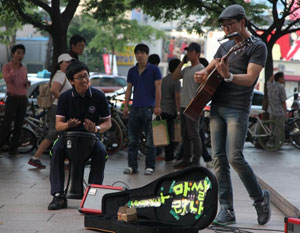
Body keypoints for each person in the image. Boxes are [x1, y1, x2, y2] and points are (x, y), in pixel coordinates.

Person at [194, 4, 270, 225]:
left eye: (230, 25)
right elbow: (209, 69)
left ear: (243, 22)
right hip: (217, 106)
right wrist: (201, 75)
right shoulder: (225, 46)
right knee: (218, 158)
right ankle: (226, 209)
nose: (226, 29)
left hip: (238, 108)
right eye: (224, 26)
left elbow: (249, 79)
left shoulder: (257, 46)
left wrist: (228, 77)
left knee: (234, 157)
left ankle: (259, 198)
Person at [48, 61, 111, 210]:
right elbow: (58, 125)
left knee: (101, 152)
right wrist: (68, 125)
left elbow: (108, 123)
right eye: (79, 77)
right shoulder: (65, 97)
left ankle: (93, 195)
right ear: (71, 81)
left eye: (86, 76)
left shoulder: (98, 96)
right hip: (67, 137)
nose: (84, 80)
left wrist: (95, 128)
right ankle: (58, 195)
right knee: (56, 151)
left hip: (91, 138)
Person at [27, 54, 74, 169]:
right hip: (57, 108)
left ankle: (66, 160)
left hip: (59, 108)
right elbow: (54, 90)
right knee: (54, 133)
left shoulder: (63, 75)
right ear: (60, 63)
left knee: (62, 134)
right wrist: (64, 102)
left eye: (70, 62)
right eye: (66, 62)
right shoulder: (60, 75)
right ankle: (36, 157)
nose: (69, 64)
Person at [123, 43, 162, 175]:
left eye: (142, 53)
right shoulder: (131, 71)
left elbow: (158, 88)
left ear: (147, 55)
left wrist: (157, 105)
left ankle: (150, 166)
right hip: (135, 109)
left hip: (150, 109)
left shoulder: (154, 70)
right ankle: (132, 166)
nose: (139, 56)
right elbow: (129, 89)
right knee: (133, 140)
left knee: (150, 141)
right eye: (137, 53)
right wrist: (126, 106)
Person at [172, 42, 205, 168]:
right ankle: (186, 159)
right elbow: (174, 76)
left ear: (197, 53)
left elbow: (203, 90)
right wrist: (182, 62)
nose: (188, 53)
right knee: (185, 135)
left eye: (190, 51)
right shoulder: (186, 69)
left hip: (194, 106)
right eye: (187, 51)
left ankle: (196, 162)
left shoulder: (201, 68)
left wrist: (201, 106)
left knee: (194, 134)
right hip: (184, 105)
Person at [0, 44, 30, 157]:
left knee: (19, 125)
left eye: (22, 53)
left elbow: (25, 81)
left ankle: (13, 150)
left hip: (22, 98)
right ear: (13, 54)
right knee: (6, 124)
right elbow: (7, 79)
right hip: (12, 98)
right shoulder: (7, 66)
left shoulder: (24, 68)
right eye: (18, 53)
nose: (20, 55)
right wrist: (14, 68)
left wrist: (27, 83)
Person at [160, 58, 181, 162]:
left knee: (164, 135)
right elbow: (177, 97)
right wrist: (179, 111)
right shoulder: (176, 81)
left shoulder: (164, 79)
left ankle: (165, 154)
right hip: (171, 110)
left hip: (162, 109)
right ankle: (169, 156)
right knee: (171, 135)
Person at [267, 72, 287, 139]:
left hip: (271, 110)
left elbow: (269, 80)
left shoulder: (269, 85)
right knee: (279, 129)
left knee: (272, 129)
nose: (284, 79)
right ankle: (277, 143)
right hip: (279, 112)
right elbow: (283, 102)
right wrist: (285, 111)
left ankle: (272, 142)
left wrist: (273, 76)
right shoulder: (281, 88)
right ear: (279, 78)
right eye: (283, 77)